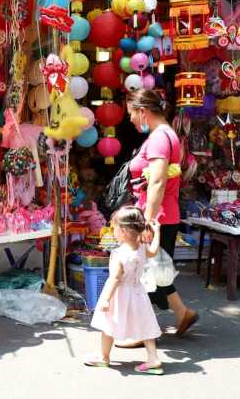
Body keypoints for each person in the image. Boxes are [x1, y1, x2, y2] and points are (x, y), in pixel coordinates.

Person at [125, 89, 198, 338]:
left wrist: (147, 221)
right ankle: (181, 312)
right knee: (156, 269)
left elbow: (157, 181)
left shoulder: (159, 138)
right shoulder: (167, 134)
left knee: (143, 274)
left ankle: (141, 334)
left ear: (143, 111)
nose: (131, 120)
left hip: (157, 216)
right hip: (163, 214)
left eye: (132, 114)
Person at [87, 206, 164, 375]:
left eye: (113, 227)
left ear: (123, 231)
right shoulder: (142, 247)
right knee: (146, 326)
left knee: (109, 326)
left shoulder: (119, 253)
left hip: (119, 295)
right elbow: (154, 251)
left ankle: (103, 356)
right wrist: (157, 232)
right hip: (138, 293)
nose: (112, 230)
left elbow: (115, 279)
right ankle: (153, 358)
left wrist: (106, 298)